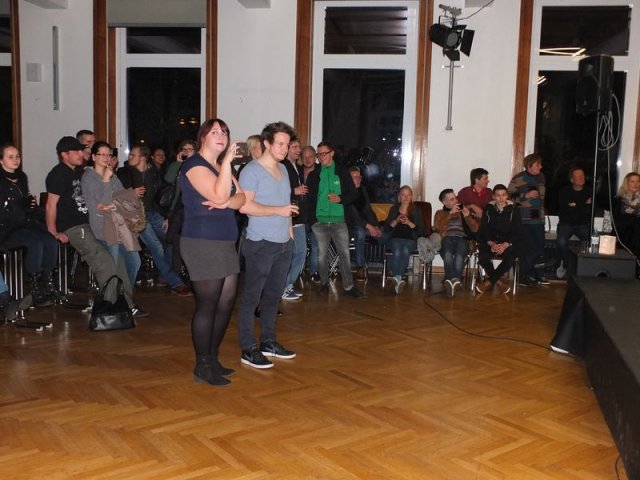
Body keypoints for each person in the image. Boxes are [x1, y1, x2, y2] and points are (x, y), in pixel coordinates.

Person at [179, 118, 245, 386]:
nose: (221, 136)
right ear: (203, 137)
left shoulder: (219, 166)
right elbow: (218, 196)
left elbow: (241, 199)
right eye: (215, 132)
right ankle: (202, 365)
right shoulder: (194, 165)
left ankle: (213, 358)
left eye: (224, 132)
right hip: (202, 242)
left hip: (225, 241)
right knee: (208, 305)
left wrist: (227, 201)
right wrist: (227, 165)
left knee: (225, 303)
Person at [45, 136, 136, 311]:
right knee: (105, 262)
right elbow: (50, 204)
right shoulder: (57, 174)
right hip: (75, 227)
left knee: (119, 261)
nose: (81, 153)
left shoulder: (78, 171)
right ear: (64, 154)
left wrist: (106, 166)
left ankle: (126, 304)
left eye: (82, 150)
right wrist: (53, 231)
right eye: (77, 151)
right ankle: (111, 307)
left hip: (90, 224)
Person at [237, 121, 299, 369]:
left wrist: (290, 231)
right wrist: (278, 211)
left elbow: (287, 204)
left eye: (287, 144)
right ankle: (247, 347)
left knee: (273, 297)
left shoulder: (283, 169)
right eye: (280, 144)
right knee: (252, 297)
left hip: (283, 244)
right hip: (260, 244)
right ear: (266, 143)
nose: (285, 148)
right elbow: (244, 206)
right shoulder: (251, 171)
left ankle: (268, 342)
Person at [118, 145, 192, 296]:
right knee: (156, 247)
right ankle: (176, 283)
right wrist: (130, 193)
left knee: (171, 239)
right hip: (137, 216)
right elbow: (116, 195)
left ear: (142, 158)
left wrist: (167, 217)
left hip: (153, 213)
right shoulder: (124, 173)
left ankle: (163, 277)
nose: (129, 157)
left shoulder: (154, 173)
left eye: (132, 155)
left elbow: (163, 195)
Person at [0, 143, 60, 307]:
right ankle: (35, 289)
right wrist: (21, 206)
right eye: (10, 157)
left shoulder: (21, 177)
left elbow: (24, 204)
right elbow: (6, 210)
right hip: (7, 227)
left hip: (24, 222)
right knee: (35, 243)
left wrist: (31, 206)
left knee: (50, 239)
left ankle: (48, 283)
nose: (15, 160)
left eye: (17, 156)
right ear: (1, 160)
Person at [81, 141, 142, 291]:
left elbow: (123, 198)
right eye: (101, 154)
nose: (106, 157)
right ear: (93, 157)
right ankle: (112, 299)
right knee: (112, 268)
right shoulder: (88, 178)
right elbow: (101, 205)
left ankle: (125, 296)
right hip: (104, 229)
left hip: (121, 225)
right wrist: (106, 181)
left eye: (108, 154)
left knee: (134, 263)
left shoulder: (112, 176)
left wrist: (114, 204)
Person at [307, 142, 364, 298]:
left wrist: (340, 199)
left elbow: (354, 194)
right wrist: (312, 221)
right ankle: (324, 283)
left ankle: (349, 287)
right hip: (319, 222)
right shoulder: (314, 175)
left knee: (344, 254)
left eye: (323, 153)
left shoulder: (342, 172)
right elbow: (309, 200)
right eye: (318, 154)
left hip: (339, 221)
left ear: (332, 153)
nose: (320, 157)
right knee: (322, 255)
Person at [508, 153, 549, 286]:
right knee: (527, 249)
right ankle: (524, 276)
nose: (540, 166)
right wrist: (526, 195)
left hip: (538, 219)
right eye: (538, 164)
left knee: (539, 248)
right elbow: (509, 197)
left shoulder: (541, 177)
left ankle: (538, 275)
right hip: (524, 220)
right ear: (529, 165)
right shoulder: (518, 178)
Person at [475, 184, 521, 294]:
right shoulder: (488, 208)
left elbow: (518, 231)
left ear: (507, 196)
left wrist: (505, 244)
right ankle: (499, 282)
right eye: (498, 195)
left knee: (511, 257)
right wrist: (491, 243)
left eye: (503, 195)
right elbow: (484, 228)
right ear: (493, 197)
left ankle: (488, 282)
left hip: (506, 242)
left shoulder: (514, 209)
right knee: (482, 257)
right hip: (491, 242)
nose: (501, 198)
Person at [433, 188, 479, 297]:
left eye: (455, 198)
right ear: (445, 202)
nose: (456, 201)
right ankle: (455, 280)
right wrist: (450, 214)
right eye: (452, 199)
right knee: (448, 254)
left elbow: (475, 229)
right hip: (446, 238)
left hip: (462, 238)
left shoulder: (463, 211)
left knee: (459, 255)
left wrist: (467, 216)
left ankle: (450, 280)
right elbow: (437, 227)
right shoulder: (440, 213)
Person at [382, 186, 425, 294]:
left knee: (405, 250)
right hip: (395, 238)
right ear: (399, 197)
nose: (406, 197)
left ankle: (397, 278)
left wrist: (409, 223)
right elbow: (386, 229)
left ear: (411, 197)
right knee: (397, 250)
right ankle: (399, 278)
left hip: (411, 240)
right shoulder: (394, 209)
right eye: (403, 195)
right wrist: (396, 220)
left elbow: (421, 232)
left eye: (408, 195)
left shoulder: (416, 210)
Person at [280, 136, 307, 300]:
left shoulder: (296, 167)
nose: (298, 150)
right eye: (294, 147)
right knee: (292, 253)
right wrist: (294, 191)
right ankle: (283, 286)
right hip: (289, 216)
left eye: (299, 147)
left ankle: (287, 285)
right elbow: (279, 190)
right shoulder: (283, 166)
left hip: (297, 215)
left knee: (300, 252)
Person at [345, 166, 382, 281]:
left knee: (384, 232)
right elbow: (354, 216)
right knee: (360, 233)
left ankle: (391, 268)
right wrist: (369, 226)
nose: (358, 179)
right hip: (350, 226)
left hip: (365, 224)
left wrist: (376, 226)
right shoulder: (345, 194)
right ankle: (360, 266)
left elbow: (369, 210)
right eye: (354, 177)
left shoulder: (363, 191)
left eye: (359, 177)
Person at [555, 168, 591, 279]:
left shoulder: (590, 191)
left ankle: (586, 268)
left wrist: (575, 205)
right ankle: (565, 263)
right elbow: (564, 210)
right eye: (578, 176)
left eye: (582, 176)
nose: (581, 178)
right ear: (572, 179)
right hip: (566, 223)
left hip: (583, 224)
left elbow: (591, 211)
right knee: (561, 241)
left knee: (591, 242)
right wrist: (584, 204)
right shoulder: (564, 191)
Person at [299, 145, 320, 282]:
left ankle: (314, 272)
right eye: (304, 157)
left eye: (310, 156)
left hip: (317, 217)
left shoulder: (322, 172)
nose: (307, 159)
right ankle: (296, 274)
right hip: (299, 217)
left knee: (316, 246)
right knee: (298, 248)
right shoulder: (296, 171)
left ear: (315, 157)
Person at [612, 172, 640, 263]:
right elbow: (616, 219)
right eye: (632, 181)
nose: (636, 184)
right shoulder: (618, 199)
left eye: (638, 181)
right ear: (627, 183)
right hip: (623, 233)